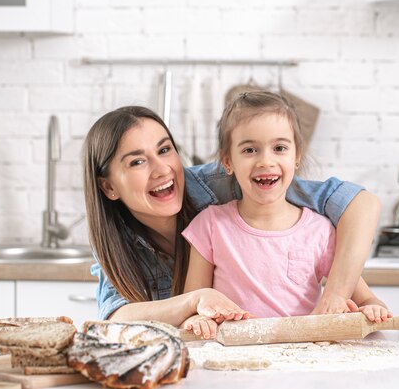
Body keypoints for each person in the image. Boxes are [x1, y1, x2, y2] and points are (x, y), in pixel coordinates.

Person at [83, 104, 381, 327]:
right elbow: (115, 317)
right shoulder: (115, 240)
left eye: (165, 150)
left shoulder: (226, 181)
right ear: (109, 187)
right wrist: (194, 302)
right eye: (137, 162)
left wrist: (337, 294)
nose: (162, 169)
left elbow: (361, 203)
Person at [181, 91, 391, 338]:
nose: (265, 161)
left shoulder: (320, 231)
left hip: (302, 358)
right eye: (250, 150)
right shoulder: (210, 225)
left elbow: (366, 299)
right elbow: (193, 303)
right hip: (237, 359)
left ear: (296, 157)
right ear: (228, 162)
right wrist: (198, 320)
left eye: (279, 148)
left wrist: (374, 309)